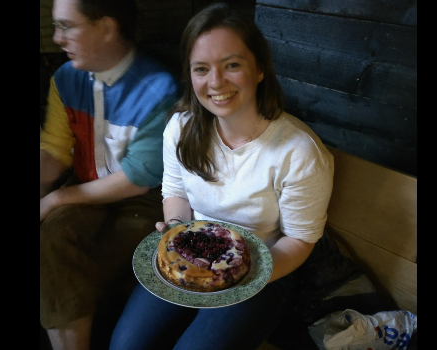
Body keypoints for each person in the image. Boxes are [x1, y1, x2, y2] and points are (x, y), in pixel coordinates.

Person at [109, 3, 335, 350]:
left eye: (231, 65)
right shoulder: (180, 129)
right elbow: (175, 193)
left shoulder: (300, 152)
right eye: (201, 69)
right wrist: (176, 231)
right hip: (189, 263)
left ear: (259, 68)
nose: (215, 82)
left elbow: (299, 240)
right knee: (125, 345)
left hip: (266, 270)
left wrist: (237, 276)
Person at [39, 0, 179, 349]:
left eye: (66, 26)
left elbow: (138, 176)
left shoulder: (159, 89)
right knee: (56, 234)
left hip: (144, 198)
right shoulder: (65, 79)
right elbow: (55, 153)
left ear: (106, 27)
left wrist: (54, 198)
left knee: (63, 247)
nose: (57, 38)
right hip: (87, 187)